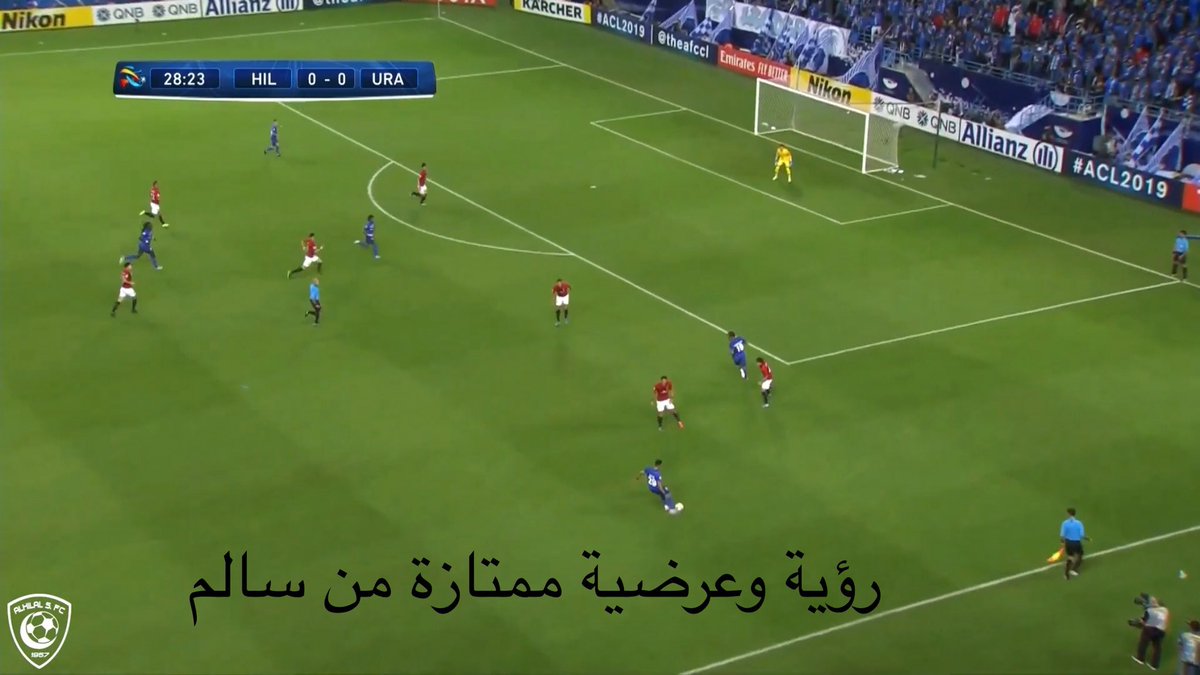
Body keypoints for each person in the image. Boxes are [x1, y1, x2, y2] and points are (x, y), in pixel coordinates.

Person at [1133, 597, 1169, 669]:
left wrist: (1137, 622)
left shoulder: (1150, 610)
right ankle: (1154, 665)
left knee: (1143, 643)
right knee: (1157, 647)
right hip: (1161, 630)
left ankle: (1140, 659)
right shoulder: (1165, 610)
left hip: (1150, 629)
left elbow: (1144, 621)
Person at [1059, 507, 1089, 579]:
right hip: (1076, 543)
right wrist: (1087, 538)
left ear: (1068, 514)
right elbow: (1081, 535)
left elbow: (1062, 535)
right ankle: (1073, 570)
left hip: (1068, 543)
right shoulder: (1079, 523)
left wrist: (1062, 542)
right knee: (1080, 555)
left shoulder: (1064, 523)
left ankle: (1066, 574)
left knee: (1070, 557)